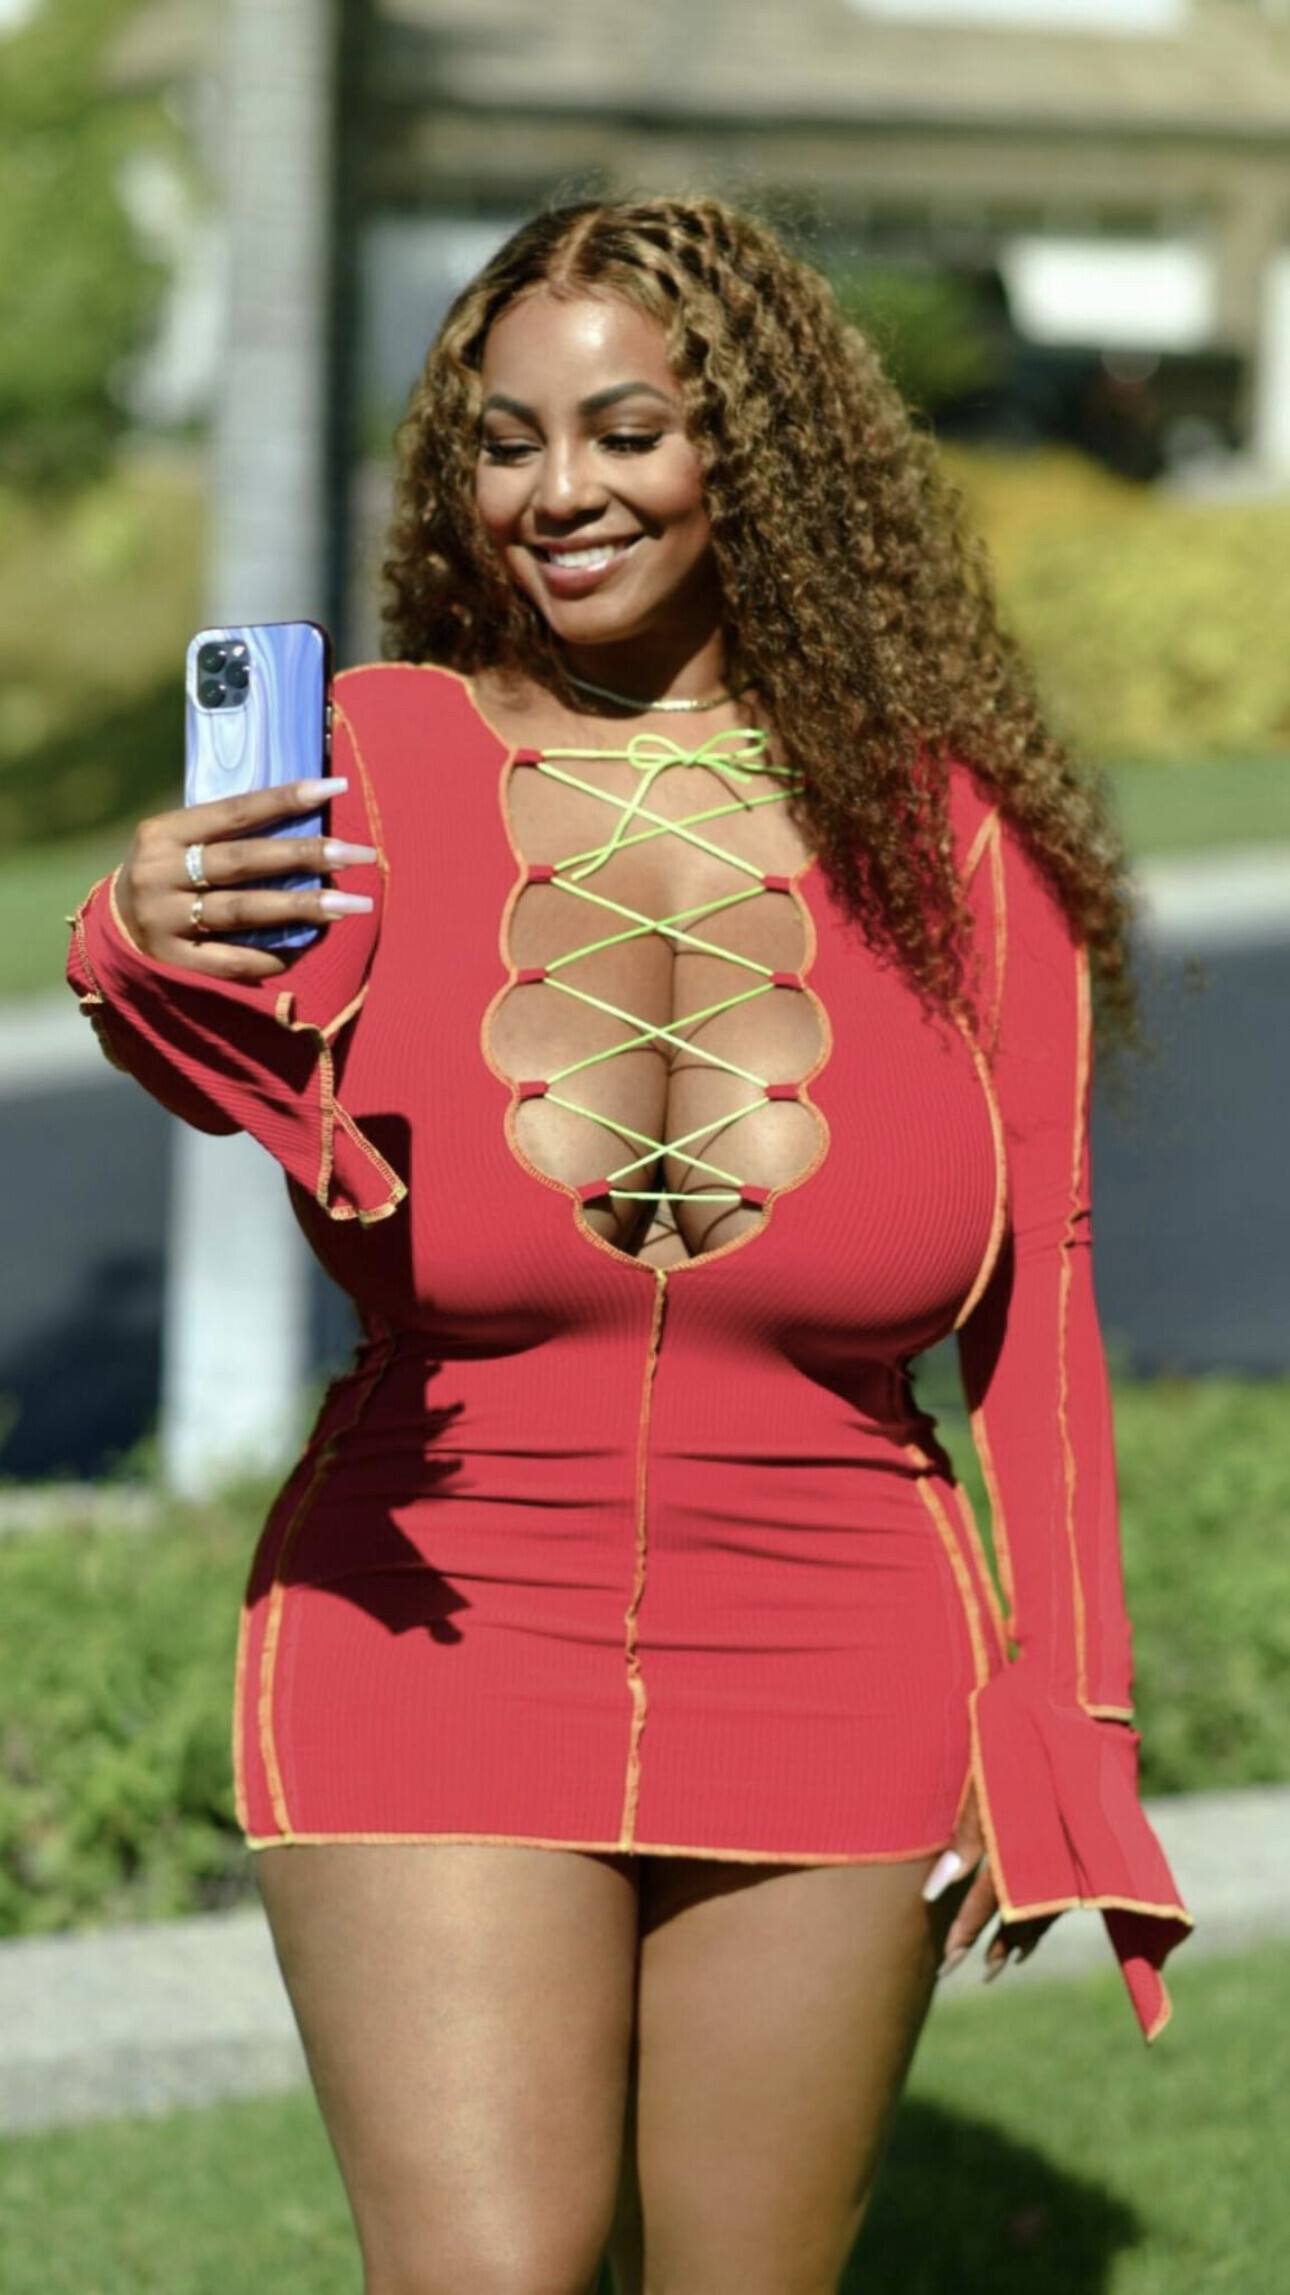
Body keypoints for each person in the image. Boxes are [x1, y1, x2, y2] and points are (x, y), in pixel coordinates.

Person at [67, 196, 1194, 2295]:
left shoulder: (953, 838)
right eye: (506, 444)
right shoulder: (366, 769)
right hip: (432, 1617)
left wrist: (1074, 1721)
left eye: (626, 430)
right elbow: (213, 1046)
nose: (558, 492)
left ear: (749, 454)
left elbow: (1039, 1306)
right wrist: (130, 939)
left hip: (846, 1634)